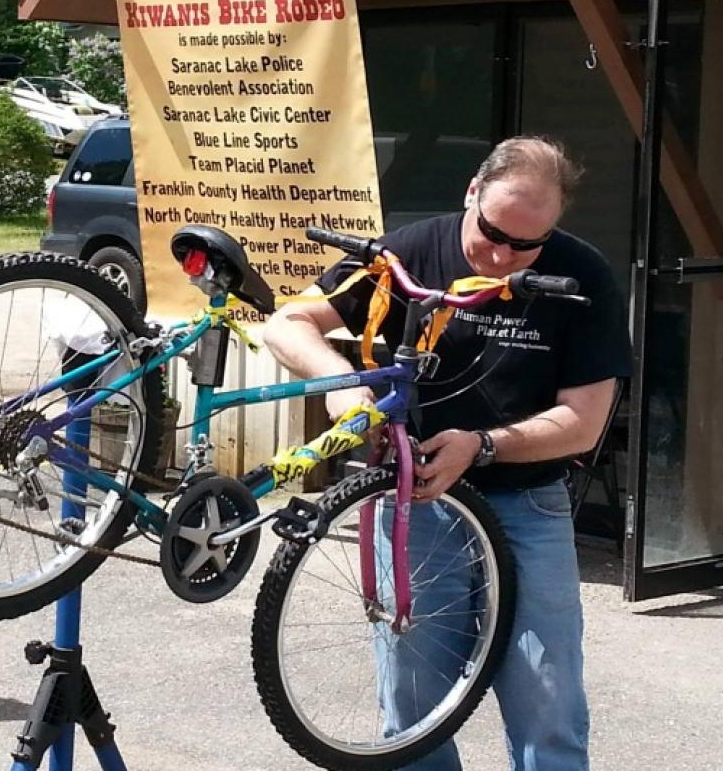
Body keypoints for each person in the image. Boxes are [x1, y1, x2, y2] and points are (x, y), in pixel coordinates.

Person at [264, 136, 630, 771]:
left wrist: (482, 447)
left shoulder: (583, 275)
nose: (502, 256)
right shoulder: (408, 253)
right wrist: (345, 387)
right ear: (472, 193)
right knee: (411, 705)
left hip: (526, 506)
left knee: (549, 699)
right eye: (492, 233)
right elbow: (287, 323)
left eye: (527, 245)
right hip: (415, 505)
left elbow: (583, 424)